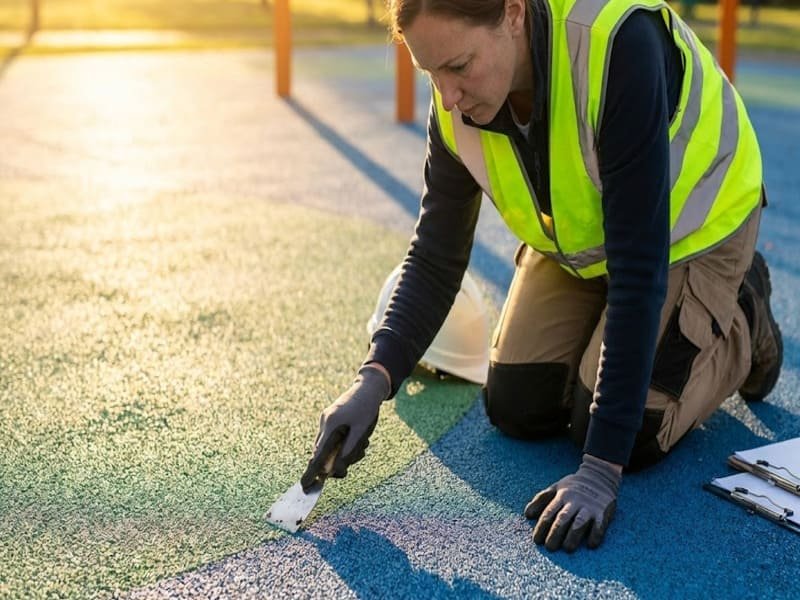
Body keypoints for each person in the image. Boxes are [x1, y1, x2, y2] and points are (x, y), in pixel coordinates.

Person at [300, 0, 783, 552]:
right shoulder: (454, 96)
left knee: (630, 433)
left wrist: (600, 468)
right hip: (588, 246)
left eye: (458, 66)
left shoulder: (619, 45)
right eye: (430, 72)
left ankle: (743, 312)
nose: (448, 97)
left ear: (512, 13)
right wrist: (374, 378)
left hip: (691, 231)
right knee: (519, 403)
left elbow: (638, 268)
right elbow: (435, 254)